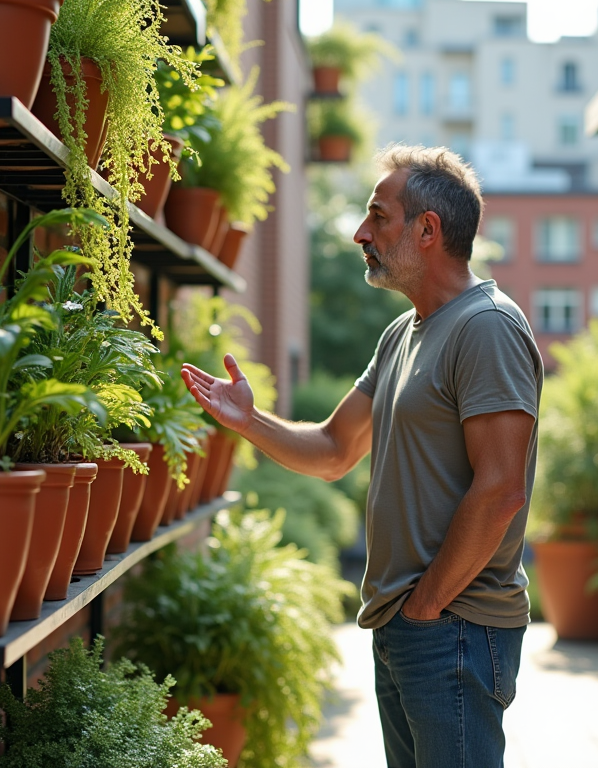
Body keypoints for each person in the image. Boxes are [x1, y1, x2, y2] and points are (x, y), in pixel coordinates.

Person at [181, 145, 543, 768]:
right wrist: (250, 420)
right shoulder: (403, 334)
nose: (360, 233)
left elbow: (502, 488)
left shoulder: (486, 327)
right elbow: (332, 449)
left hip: (455, 628)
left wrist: (428, 605)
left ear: (427, 230)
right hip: (405, 627)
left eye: (378, 216)